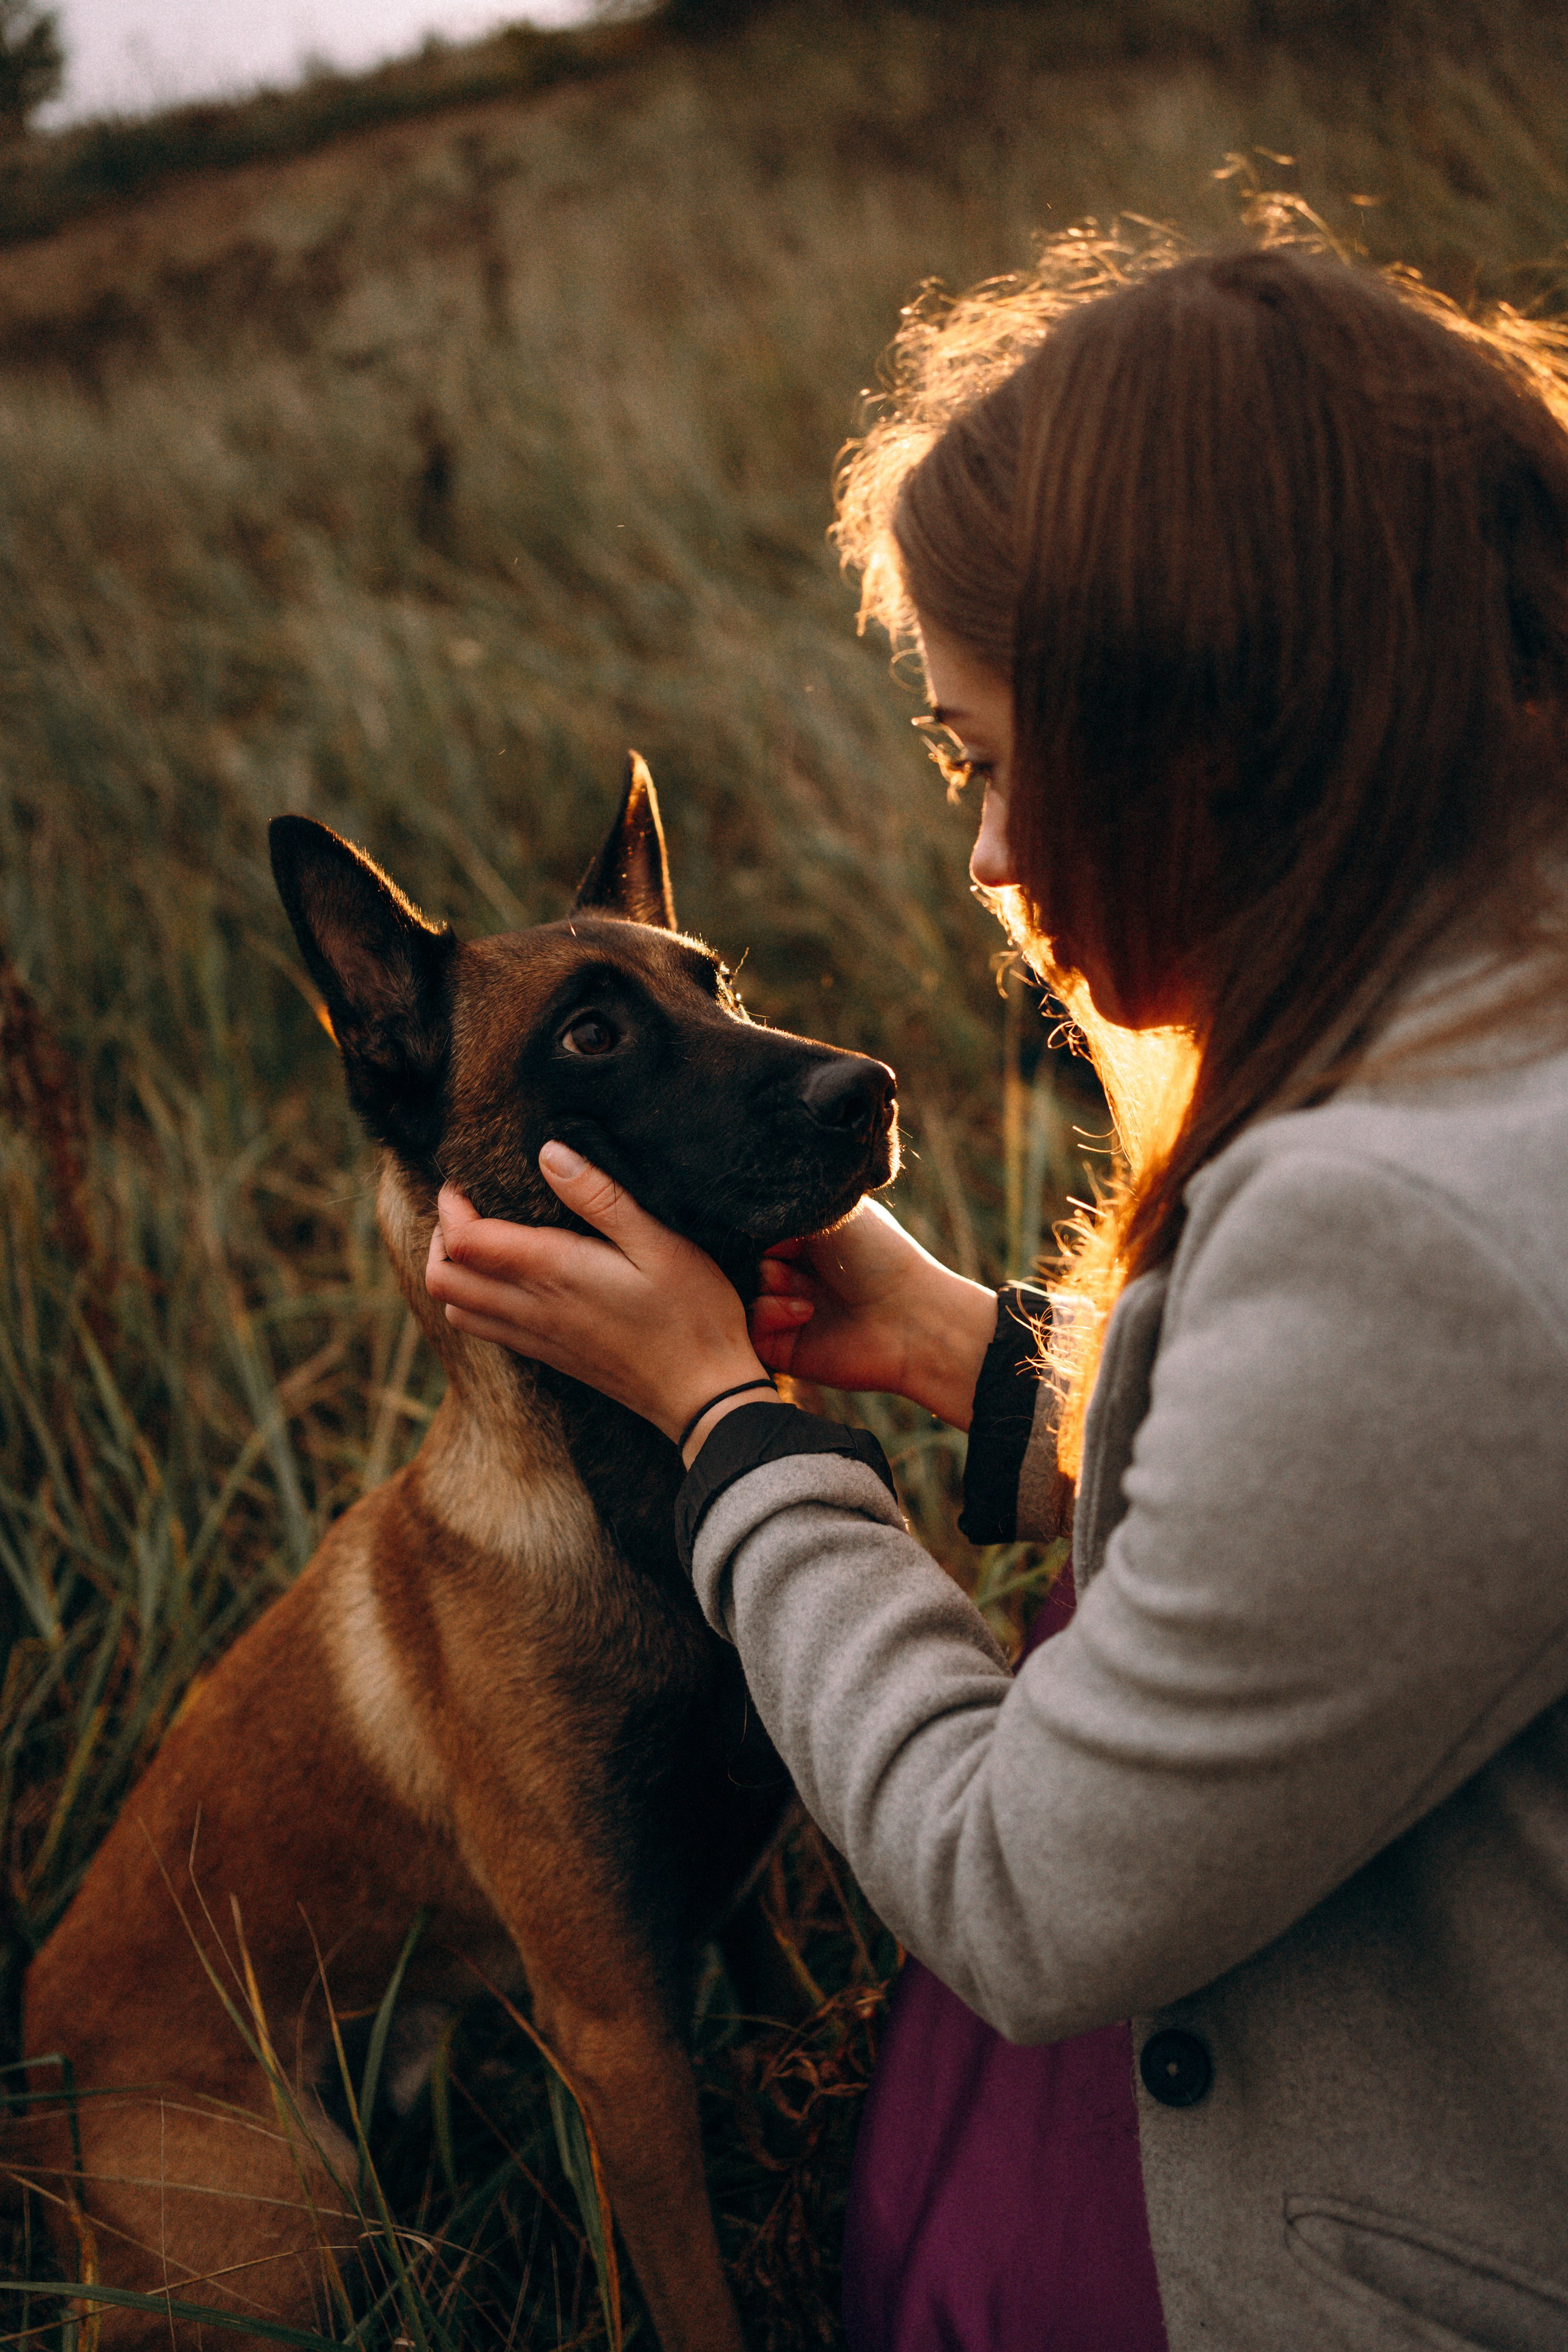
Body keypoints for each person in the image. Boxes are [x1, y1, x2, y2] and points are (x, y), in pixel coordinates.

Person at [424, 236, 1568, 2350]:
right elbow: (1380, 1524)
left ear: (1212, 728)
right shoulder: (1505, 1025)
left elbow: (1023, 1898)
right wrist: (973, 1355)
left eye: (983, 761)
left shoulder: (1407, 1233)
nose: (984, 859)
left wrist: (731, 1436)